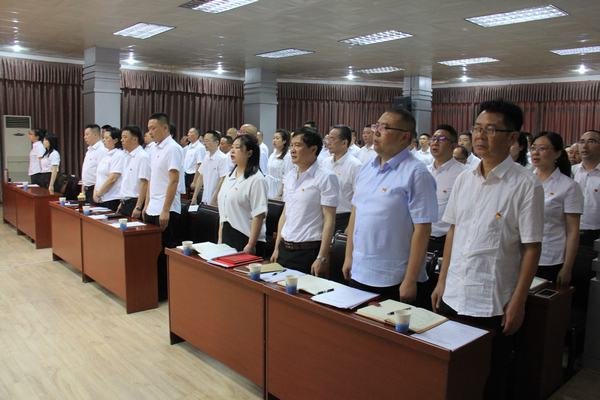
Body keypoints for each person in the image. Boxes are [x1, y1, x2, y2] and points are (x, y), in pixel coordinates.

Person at [431, 99, 544, 400]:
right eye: (477, 128)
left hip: (492, 302)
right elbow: (453, 230)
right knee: (452, 375)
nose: (480, 136)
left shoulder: (526, 185)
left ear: (512, 137)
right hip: (454, 293)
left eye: (491, 130)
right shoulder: (464, 179)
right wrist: (442, 281)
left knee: (490, 378)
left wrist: (518, 302)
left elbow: (532, 247)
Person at [342, 108, 437, 304]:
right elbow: (356, 213)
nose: (376, 132)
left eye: (385, 127)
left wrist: (410, 280)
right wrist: (349, 256)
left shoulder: (416, 173)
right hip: (359, 270)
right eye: (376, 126)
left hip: (394, 277)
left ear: (405, 136)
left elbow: (423, 229)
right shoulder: (367, 168)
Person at [270, 127, 339, 275]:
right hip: (284, 248)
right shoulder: (290, 175)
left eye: (298, 145)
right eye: (291, 145)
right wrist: (276, 248)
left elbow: (329, 219)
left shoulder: (326, 177)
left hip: (308, 251)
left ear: (313, 149)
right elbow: (285, 214)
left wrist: (321, 257)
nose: (292, 150)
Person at [531, 132, 582, 287]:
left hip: (550, 258)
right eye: (533, 148)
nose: (535, 153)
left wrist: (567, 267)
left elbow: (573, 231)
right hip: (520, 253)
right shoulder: (525, 179)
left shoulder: (569, 186)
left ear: (558, 153)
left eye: (542, 148)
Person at [142, 113, 183, 301]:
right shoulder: (154, 148)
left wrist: (165, 209)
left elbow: (173, 180)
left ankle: (167, 291)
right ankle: (156, 289)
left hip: (167, 210)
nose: (150, 132)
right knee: (152, 251)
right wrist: (146, 204)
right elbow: (152, 179)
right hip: (153, 206)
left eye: (154, 128)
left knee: (165, 252)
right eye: (149, 128)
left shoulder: (173, 148)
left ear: (165, 128)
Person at [217, 134, 268, 256]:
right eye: (232, 147)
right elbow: (223, 211)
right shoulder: (230, 176)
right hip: (227, 233)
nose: (232, 151)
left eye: (238, 147)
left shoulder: (257, 179)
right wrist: (220, 238)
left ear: (249, 153)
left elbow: (259, 215)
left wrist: (251, 244)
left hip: (246, 238)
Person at [426, 124, 465, 256]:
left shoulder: (463, 174)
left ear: (453, 146)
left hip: (446, 240)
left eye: (442, 139)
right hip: (421, 235)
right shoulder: (423, 171)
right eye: (434, 138)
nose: (435, 142)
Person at [572, 130, 600, 308]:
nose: (585, 146)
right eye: (582, 141)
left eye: (591, 141)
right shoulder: (571, 171)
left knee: (587, 289)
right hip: (568, 235)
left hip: (593, 238)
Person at [325, 125, 362, 233]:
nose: (328, 142)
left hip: (343, 218)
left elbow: (359, 198)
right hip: (324, 215)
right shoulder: (325, 162)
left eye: (332, 139)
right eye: (328, 138)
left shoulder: (355, 165)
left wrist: (350, 225)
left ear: (344, 143)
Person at [118, 125, 150, 218]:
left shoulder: (143, 157)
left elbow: (144, 183)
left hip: (135, 202)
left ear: (135, 139)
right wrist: (121, 203)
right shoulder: (126, 156)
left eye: (125, 137)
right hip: (125, 202)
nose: (122, 140)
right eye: (121, 137)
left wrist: (138, 207)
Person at [191, 130, 230, 206]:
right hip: (205, 198)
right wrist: (194, 197)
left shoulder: (223, 158)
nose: (204, 143)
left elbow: (222, 179)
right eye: (204, 141)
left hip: (216, 200)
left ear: (217, 142)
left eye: (207, 141)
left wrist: (214, 199)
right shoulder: (206, 156)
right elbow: (201, 177)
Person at [94, 127, 126, 211]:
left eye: (106, 138)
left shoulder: (119, 155)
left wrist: (99, 193)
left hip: (111, 198)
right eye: (103, 138)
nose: (103, 140)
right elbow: (99, 176)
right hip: (101, 197)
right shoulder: (106, 155)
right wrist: (95, 193)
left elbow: (113, 178)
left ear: (115, 140)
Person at [81, 124, 108, 204]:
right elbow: (86, 170)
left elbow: (102, 172)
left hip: (95, 189)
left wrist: (96, 191)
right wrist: (83, 187)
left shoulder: (102, 150)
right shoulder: (89, 150)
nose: (84, 137)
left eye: (87, 134)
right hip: (87, 188)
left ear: (96, 134)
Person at [266, 129, 293, 199]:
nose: (274, 140)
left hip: (279, 188)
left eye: (277, 138)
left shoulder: (288, 156)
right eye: (273, 138)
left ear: (284, 141)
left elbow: (287, 177)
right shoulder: (273, 153)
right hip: (269, 187)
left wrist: (280, 194)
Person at [182, 127, 206, 194]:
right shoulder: (189, 146)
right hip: (186, 174)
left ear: (196, 135)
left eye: (190, 132)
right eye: (188, 132)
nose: (188, 134)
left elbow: (200, 165)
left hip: (193, 176)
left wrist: (194, 181)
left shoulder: (200, 147)